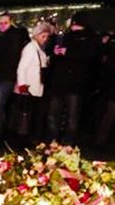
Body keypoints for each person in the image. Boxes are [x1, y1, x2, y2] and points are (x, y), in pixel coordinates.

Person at [46, 14, 99, 145]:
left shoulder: (89, 38)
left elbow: (90, 56)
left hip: (75, 82)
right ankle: (53, 140)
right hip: (60, 81)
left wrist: (67, 52)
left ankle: (68, 143)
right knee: (55, 114)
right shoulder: (66, 37)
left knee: (72, 116)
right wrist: (56, 52)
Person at [0, 13, 29, 141]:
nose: (2, 25)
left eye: (5, 23)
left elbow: (10, 59)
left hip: (6, 77)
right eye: (1, 23)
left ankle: (0, 135)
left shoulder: (13, 37)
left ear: (11, 22)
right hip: (0, 76)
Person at [14, 21, 53, 145]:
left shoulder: (39, 48)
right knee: (27, 116)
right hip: (30, 88)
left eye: (47, 36)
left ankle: (27, 139)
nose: (45, 39)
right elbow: (22, 68)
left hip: (35, 88)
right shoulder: (31, 48)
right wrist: (22, 86)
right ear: (36, 35)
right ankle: (23, 140)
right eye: (43, 36)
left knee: (30, 116)